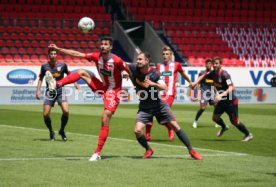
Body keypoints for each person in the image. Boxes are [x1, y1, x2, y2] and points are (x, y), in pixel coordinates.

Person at [46, 36, 129, 161]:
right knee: (81, 71)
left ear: (111, 47)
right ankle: (57, 84)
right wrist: (58, 49)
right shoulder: (96, 56)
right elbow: (77, 54)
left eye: (106, 44)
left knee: (105, 116)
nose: (103, 46)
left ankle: (97, 153)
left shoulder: (117, 60)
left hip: (113, 92)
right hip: (102, 87)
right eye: (102, 44)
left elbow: (129, 69)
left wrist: (125, 72)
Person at [128, 52, 202, 160]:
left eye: (140, 59)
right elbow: (122, 66)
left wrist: (154, 84)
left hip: (159, 105)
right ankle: (148, 149)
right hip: (145, 106)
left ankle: (191, 150)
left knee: (175, 126)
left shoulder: (155, 74)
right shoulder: (133, 68)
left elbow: (164, 87)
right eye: (137, 59)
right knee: (137, 130)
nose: (137, 61)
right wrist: (125, 73)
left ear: (147, 61)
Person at [191, 57, 253, 141]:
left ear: (220, 64)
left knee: (234, 122)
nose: (215, 65)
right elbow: (203, 76)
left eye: (217, 63)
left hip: (231, 101)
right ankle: (224, 127)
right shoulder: (212, 74)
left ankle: (248, 134)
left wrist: (221, 95)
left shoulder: (225, 75)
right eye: (214, 63)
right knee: (215, 118)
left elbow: (231, 87)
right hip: (222, 101)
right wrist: (195, 83)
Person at [145, 46, 192, 141]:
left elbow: (183, 74)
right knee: (150, 111)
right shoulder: (159, 66)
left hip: (169, 93)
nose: (165, 56)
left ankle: (170, 129)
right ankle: (148, 133)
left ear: (171, 55)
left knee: (161, 113)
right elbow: (155, 77)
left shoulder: (176, 65)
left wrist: (190, 82)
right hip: (158, 92)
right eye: (163, 54)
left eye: (167, 54)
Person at [36, 47, 79, 141]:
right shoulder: (44, 66)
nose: (53, 55)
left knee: (66, 111)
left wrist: (75, 83)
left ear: (57, 55)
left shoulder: (62, 65)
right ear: (49, 55)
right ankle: (51, 131)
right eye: (51, 54)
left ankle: (62, 130)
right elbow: (40, 78)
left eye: (55, 54)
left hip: (61, 90)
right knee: (46, 114)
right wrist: (38, 91)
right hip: (50, 91)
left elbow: (69, 74)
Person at [192, 59, 218, 128]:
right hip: (204, 92)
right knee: (203, 108)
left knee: (216, 106)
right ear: (205, 64)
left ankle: (217, 121)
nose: (209, 65)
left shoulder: (214, 73)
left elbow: (214, 84)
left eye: (210, 64)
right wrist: (197, 93)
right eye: (207, 64)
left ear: (211, 65)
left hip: (211, 92)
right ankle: (195, 120)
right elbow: (198, 83)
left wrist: (217, 93)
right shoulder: (202, 73)